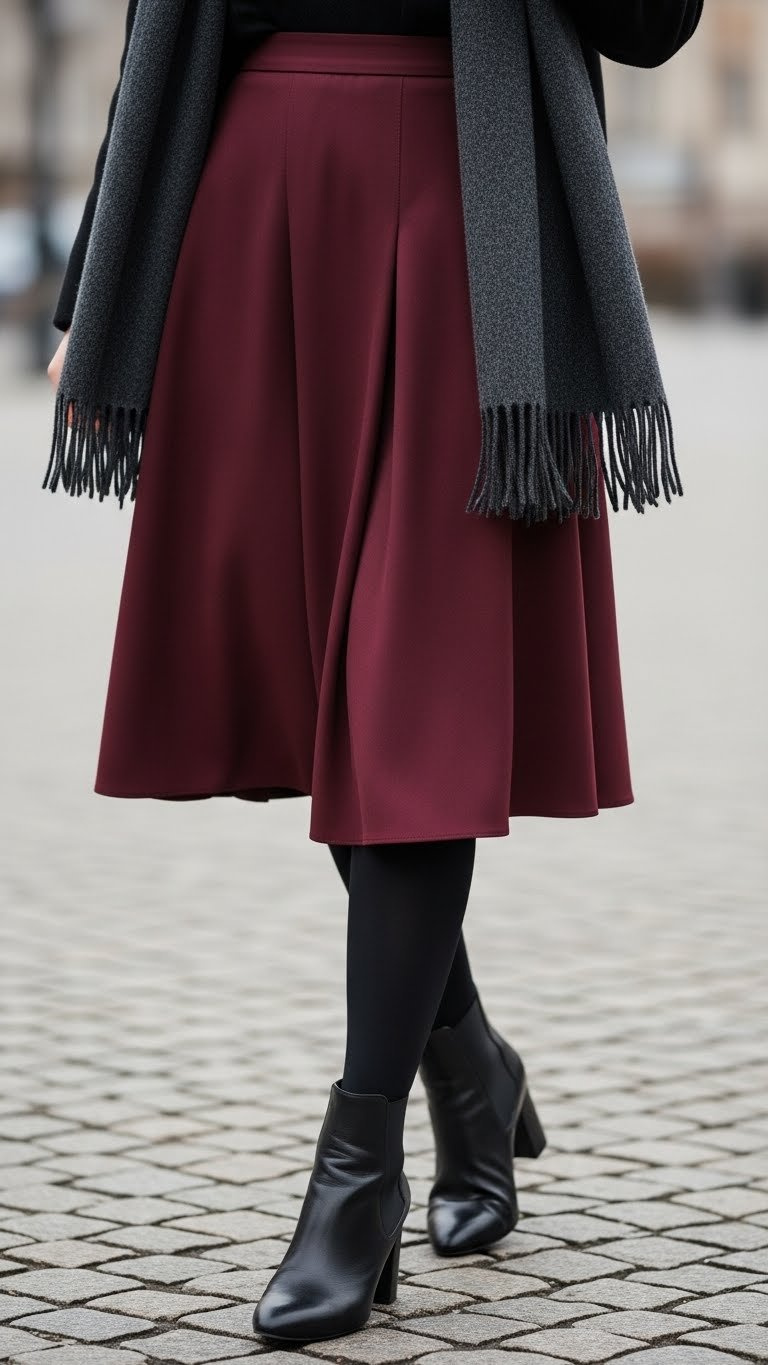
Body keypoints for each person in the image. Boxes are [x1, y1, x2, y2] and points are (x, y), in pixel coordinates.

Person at [46, 0, 703, 1345]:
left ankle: (357, 1176)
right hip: (247, 213)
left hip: (471, 225)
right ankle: (465, 1059)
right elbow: (156, 38)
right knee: (305, 691)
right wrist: (93, 297)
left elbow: (654, 26)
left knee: (409, 708)